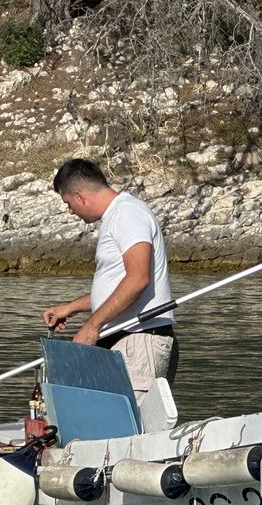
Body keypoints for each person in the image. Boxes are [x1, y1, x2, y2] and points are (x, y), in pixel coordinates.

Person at [42, 158, 178, 398]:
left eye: (68, 203)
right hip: (124, 342)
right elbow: (118, 286)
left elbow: (138, 280)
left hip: (138, 341)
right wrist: (71, 308)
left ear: (80, 196)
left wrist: (91, 327)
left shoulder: (127, 213)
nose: (70, 211)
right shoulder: (117, 216)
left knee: (133, 421)